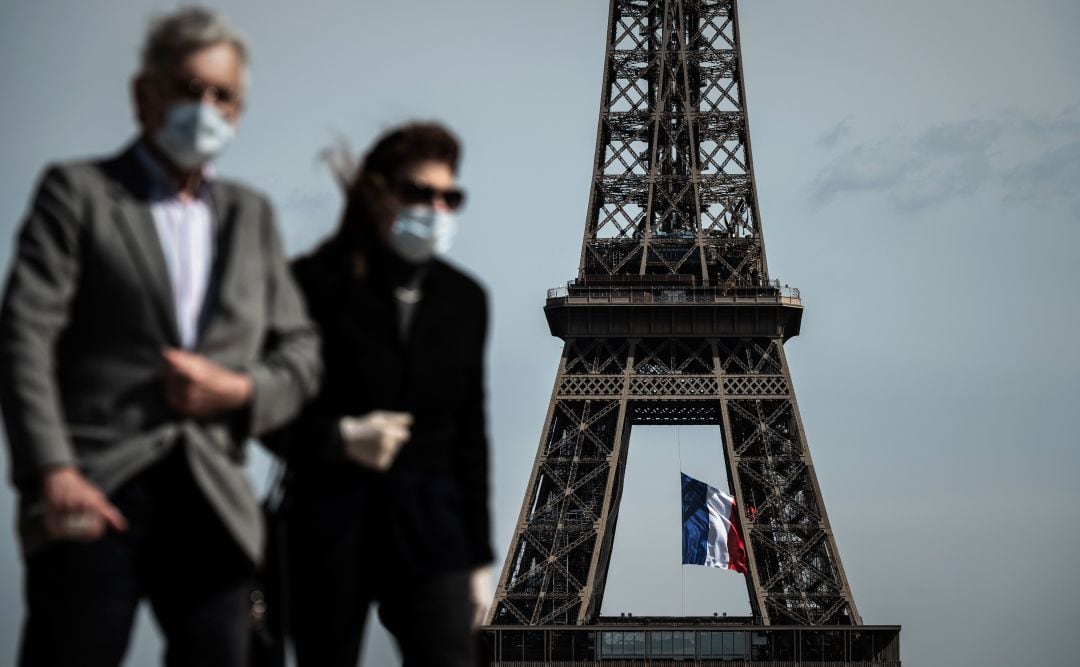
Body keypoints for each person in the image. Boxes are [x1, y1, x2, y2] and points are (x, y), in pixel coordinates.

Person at [0, 8, 321, 666]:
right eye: (189, 90)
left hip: (211, 500)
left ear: (239, 110)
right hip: (96, 488)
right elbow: (24, 334)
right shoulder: (79, 193)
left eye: (223, 95)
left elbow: (302, 354)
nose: (206, 108)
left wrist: (237, 388)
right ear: (143, 94)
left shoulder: (252, 216)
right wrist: (53, 470)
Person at [278, 122, 493, 666]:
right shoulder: (312, 284)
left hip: (432, 535)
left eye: (450, 196)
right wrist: (340, 438)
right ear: (378, 192)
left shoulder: (463, 300)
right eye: (419, 192)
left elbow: (470, 437)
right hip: (331, 526)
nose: (436, 208)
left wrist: (479, 563)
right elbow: (265, 407)